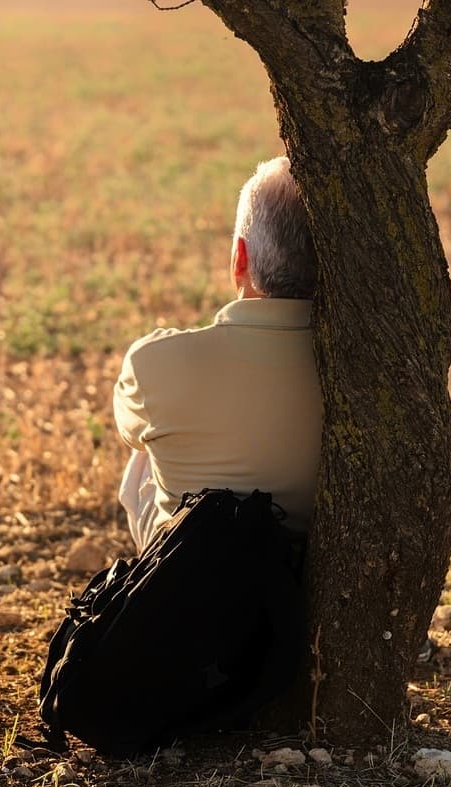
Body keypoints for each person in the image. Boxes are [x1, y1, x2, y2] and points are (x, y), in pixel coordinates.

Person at [114, 156, 323, 553]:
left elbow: (128, 430)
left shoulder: (154, 362)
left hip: (191, 579)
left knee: (145, 452)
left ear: (239, 258)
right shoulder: (362, 371)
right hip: (303, 578)